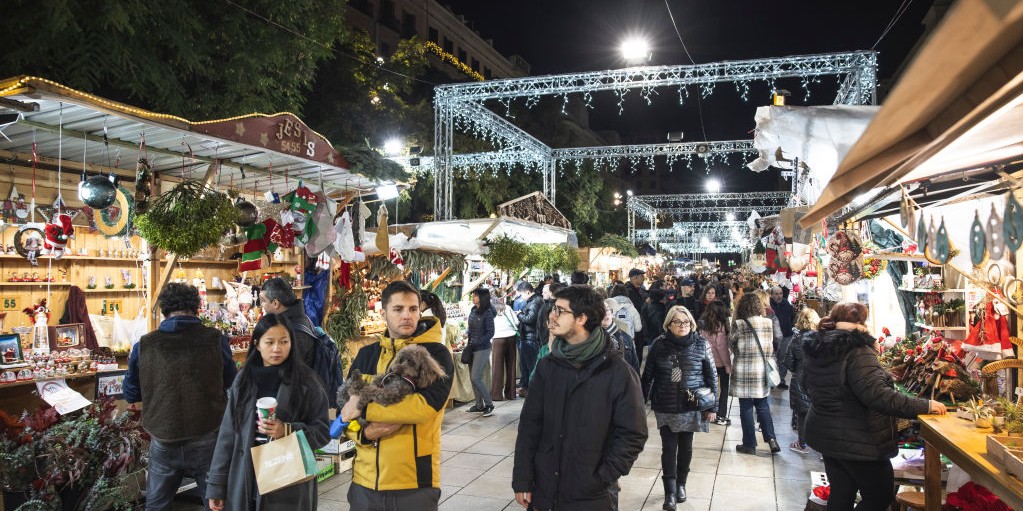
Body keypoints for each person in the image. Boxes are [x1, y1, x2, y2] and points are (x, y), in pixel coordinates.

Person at [512, 285, 648, 511]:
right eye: (553, 309)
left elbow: (633, 433)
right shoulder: (548, 366)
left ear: (581, 318)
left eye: (560, 311)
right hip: (545, 490)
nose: (551, 316)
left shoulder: (617, 372)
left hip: (592, 495)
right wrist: (523, 479)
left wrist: (603, 477)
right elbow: (529, 427)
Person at [803, 303, 947, 511]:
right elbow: (878, 395)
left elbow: (805, 385)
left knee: (842, 493)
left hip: (826, 433)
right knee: (879, 496)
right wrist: (925, 405)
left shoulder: (819, 346)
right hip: (858, 439)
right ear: (861, 323)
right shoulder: (858, 350)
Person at [340, 281, 455, 509]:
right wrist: (364, 434)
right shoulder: (366, 355)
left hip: (415, 481)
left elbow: (423, 407)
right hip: (365, 481)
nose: (407, 316)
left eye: (413, 309)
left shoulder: (436, 354)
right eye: (398, 309)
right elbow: (344, 412)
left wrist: (364, 407)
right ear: (383, 313)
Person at [123, 283, 237, 511]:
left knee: (156, 506)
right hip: (207, 434)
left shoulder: (145, 344)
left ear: (164, 309)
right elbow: (232, 383)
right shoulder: (215, 339)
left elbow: (131, 393)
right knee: (217, 504)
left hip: (163, 438)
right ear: (197, 308)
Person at [206, 314, 330, 511]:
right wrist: (216, 486)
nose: (277, 348)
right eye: (270, 342)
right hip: (245, 479)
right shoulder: (244, 381)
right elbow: (227, 435)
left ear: (292, 344)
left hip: (288, 482)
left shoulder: (306, 382)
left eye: (284, 342)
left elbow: (323, 432)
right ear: (257, 344)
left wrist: (287, 430)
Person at [641, 306, 717, 509]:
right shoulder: (659, 345)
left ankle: (681, 483)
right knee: (668, 448)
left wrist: (713, 407)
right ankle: (670, 492)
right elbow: (647, 376)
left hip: (691, 404)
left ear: (692, 324)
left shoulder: (701, 344)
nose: (682, 326)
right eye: (677, 322)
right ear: (669, 324)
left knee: (686, 447)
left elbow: (711, 376)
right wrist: (639, 405)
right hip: (665, 403)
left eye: (686, 322)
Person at [729, 293, 780, 455]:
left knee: (745, 407)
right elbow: (770, 347)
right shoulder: (767, 323)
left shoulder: (739, 324)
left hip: (743, 370)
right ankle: (771, 439)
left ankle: (749, 444)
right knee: (763, 405)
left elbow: (732, 345)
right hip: (761, 370)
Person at [785, 308, 819, 454]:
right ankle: (822, 449)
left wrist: (796, 369)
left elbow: (788, 361)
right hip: (819, 379)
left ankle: (802, 444)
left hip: (800, 379)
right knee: (821, 413)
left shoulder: (796, 339)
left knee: (802, 413)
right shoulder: (822, 339)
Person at [699, 299, 731, 425]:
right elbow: (722, 348)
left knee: (709, 388)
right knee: (723, 388)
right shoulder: (720, 327)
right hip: (720, 363)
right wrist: (727, 365)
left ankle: (707, 412)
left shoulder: (703, 325)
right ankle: (720, 415)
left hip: (706, 362)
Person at [466, 288, 496, 416]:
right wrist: (468, 335)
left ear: (482, 298)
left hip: (482, 348)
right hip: (471, 347)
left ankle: (489, 404)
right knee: (472, 378)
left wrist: (478, 341)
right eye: (473, 295)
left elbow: (490, 332)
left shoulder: (487, 312)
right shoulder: (473, 310)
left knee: (475, 377)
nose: (473, 297)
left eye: (476, 295)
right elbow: (471, 328)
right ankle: (479, 405)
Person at [516, 281, 544, 397]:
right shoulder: (534, 301)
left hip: (531, 337)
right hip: (528, 336)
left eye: (522, 294)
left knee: (531, 365)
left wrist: (519, 314)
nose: (521, 297)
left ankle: (532, 390)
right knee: (526, 364)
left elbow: (530, 318)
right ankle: (526, 387)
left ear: (527, 292)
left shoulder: (535, 302)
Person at [491, 295, 519, 401]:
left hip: (497, 338)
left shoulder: (490, 310)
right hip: (511, 337)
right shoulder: (507, 308)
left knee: (497, 367)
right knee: (511, 366)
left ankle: (497, 395)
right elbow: (516, 322)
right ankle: (511, 394)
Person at [602, 298, 640, 373]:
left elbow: (635, 366)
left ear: (612, 313)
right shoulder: (593, 339)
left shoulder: (625, 336)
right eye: (602, 311)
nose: (606, 313)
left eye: (608, 310)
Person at [770, 286, 795, 389]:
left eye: (780, 293)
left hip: (786, 335)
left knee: (783, 359)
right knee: (772, 359)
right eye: (776, 294)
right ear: (772, 295)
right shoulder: (769, 306)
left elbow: (792, 317)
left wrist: (789, 327)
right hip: (773, 337)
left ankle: (781, 380)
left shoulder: (786, 303)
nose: (779, 296)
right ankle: (771, 380)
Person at [534, 282, 565, 355]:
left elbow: (540, 326)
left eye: (545, 292)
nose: (542, 294)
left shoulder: (547, 307)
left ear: (550, 293)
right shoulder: (562, 307)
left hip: (549, 343)